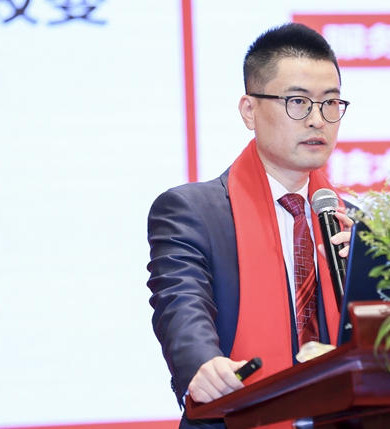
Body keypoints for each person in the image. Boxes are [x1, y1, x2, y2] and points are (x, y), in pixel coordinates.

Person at [146, 23, 353, 428]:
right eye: (298, 102)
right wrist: (203, 365)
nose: (318, 120)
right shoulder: (193, 212)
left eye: (330, 103)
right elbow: (181, 303)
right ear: (249, 110)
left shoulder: (352, 221)